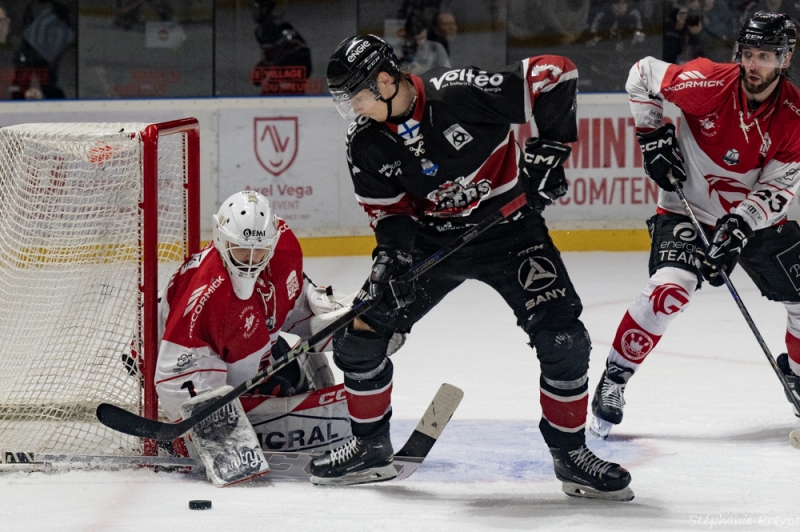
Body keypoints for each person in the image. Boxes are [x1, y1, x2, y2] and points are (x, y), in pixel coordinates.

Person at [308, 34, 634, 501]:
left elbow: (555, 71)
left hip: (510, 230)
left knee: (564, 340)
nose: (355, 108)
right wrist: (389, 264)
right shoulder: (366, 142)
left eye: (357, 96)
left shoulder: (458, 91)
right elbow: (392, 217)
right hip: (429, 242)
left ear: (384, 80)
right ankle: (369, 448)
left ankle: (571, 455)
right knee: (360, 336)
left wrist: (552, 146)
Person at [590, 12, 800, 440]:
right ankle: (614, 379)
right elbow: (642, 73)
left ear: (785, 59)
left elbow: (779, 186)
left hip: (755, 220)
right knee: (669, 292)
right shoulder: (706, 82)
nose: (754, 65)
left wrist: (741, 225)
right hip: (687, 210)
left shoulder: (794, 116)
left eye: (766, 56)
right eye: (748, 54)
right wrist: (652, 136)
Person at [152, 190, 351, 485]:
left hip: (245, 347)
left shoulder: (282, 248)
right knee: (279, 390)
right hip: (178, 356)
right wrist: (205, 432)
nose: (251, 260)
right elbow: (174, 374)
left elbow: (286, 302)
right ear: (221, 239)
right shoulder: (209, 294)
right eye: (241, 249)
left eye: (259, 250)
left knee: (295, 373)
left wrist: (322, 308)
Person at [399, 10, 451, 75]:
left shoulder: (436, 48)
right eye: (414, 40)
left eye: (421, 38)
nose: (418, 43)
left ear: (426, 31)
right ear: (407, 36)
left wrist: (424, 70)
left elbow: (447, 73)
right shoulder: (400, 49)